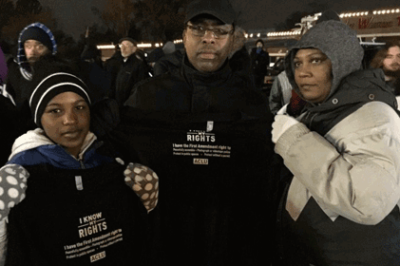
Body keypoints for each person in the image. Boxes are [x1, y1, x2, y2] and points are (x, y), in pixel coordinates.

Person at [111, 0, 276, 265]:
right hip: (163, 242)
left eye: (219, 31)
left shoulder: (251, 102)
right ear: (184, 35)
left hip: (230, 244)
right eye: (198, 29)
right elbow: (113, 157)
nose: (209, 39)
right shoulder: (148, 96)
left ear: (232, 38)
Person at [0, 59, 159, 265]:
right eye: (55, 111)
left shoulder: (110, 156)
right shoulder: (21, 171)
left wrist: (146, 203)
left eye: (80, 107)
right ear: (39, 117)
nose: (70, 120)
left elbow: (138, 235)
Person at [271, 20, 400, 266]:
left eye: (316, 60)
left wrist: (295, 141)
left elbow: (368, 202)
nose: (303, 72)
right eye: (297, 63)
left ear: (342, 63)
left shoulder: (375, 118)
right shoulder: (322, 110)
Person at [114, 37, 149, 106]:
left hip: (130, 106)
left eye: (126, 46)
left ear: (134, 49)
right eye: (121, 45)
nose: (123, 48)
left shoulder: (139, 65)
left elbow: (140, 87)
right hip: (121, 105)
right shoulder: (121, 64)